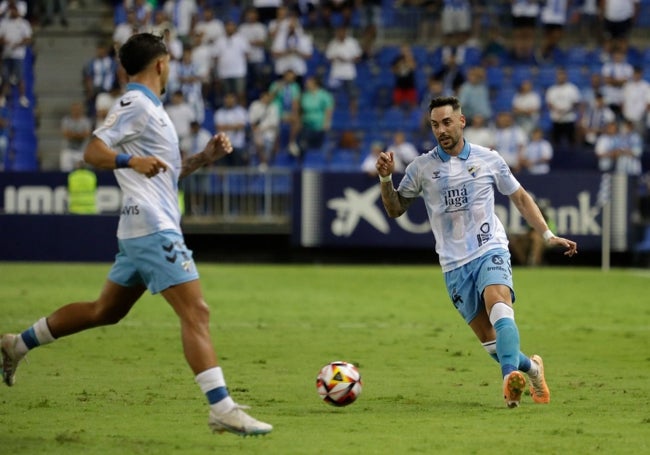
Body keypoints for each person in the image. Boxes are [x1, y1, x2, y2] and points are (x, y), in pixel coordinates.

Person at [0, 33, 272, 436]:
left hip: (140, 226)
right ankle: (222, 408)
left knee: (103, 311)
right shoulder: (136, 104)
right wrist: (129, 159)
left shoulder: (153, 111)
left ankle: (16, 344)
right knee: (196, 312)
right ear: (161, 64)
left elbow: (161, 175)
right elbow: (91, 152)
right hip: (152, 227)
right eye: (170, 61)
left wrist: (203, 157)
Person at [374, 96, 578, 408]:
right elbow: (395, 209)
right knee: (492, 345)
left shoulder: (488, 159)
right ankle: (532, 370)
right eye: (434, 125)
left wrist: (547, 235)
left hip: (489, 247)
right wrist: (386, 178)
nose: (441, 129)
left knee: (498, 304)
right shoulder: (421, 168)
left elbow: (520, 197)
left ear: (461, 121)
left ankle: (509, 380)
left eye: (446, 122)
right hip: (454, 265)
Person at [59, 101, 93, 172]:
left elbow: (86, 135)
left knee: (83, 170)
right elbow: (65, 134)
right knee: (65, 166)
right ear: (71, 110)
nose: (76, 111)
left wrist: (72, 134)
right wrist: (79, 134)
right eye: (74, 109)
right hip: (68, 150)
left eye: (78, 109)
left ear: (82, 110)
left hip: (82, 150)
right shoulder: (66, 120)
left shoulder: (86, 121)